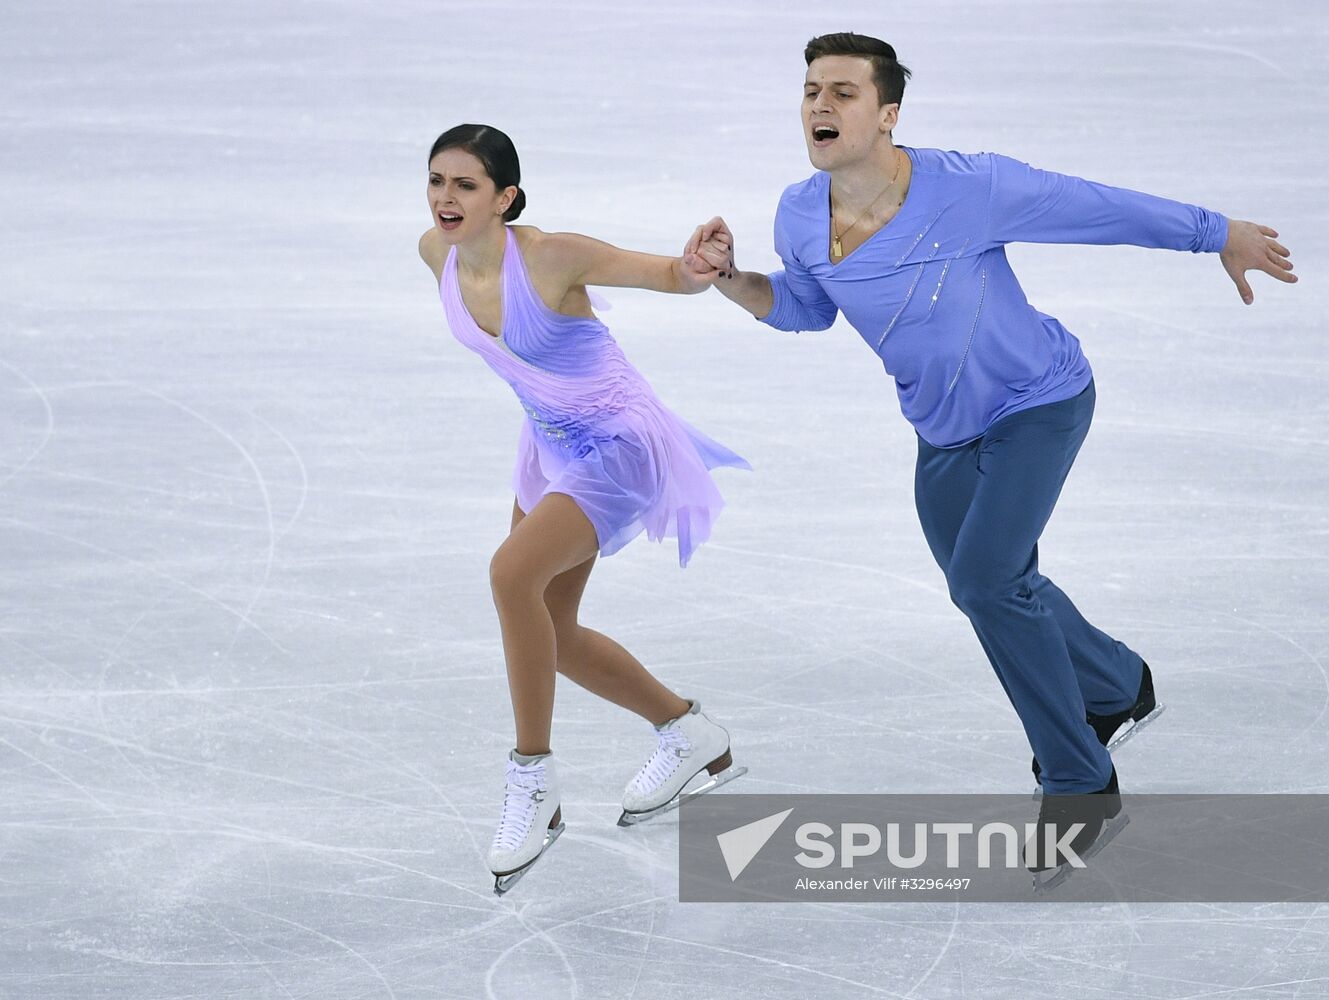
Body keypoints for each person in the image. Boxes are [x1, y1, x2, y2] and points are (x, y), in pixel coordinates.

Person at [684, 32, 1296, 877]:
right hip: (940, 431)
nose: (819, 105)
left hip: (1037, 404)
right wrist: (730, 279)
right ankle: (1116, 684)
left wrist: (1214, 231)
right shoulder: (798, 211)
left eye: (843, 93)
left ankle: (1080, 783)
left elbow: (1093, 205)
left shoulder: (969, 189)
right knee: (997, 583)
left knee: (984, 581)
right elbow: (803, 308)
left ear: (887, 114)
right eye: (810, 90)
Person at [419, 124, 748, 894]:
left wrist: (698, 264)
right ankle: (686, 729)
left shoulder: (548, 256)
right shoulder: (434, 254)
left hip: (620, 444)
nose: (445, 198)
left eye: (465, 185)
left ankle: (532, 781)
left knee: (510, 579)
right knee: (551, 633)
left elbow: (667, 273)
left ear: (504, 197)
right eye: (437, 181)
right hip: (550, 446)